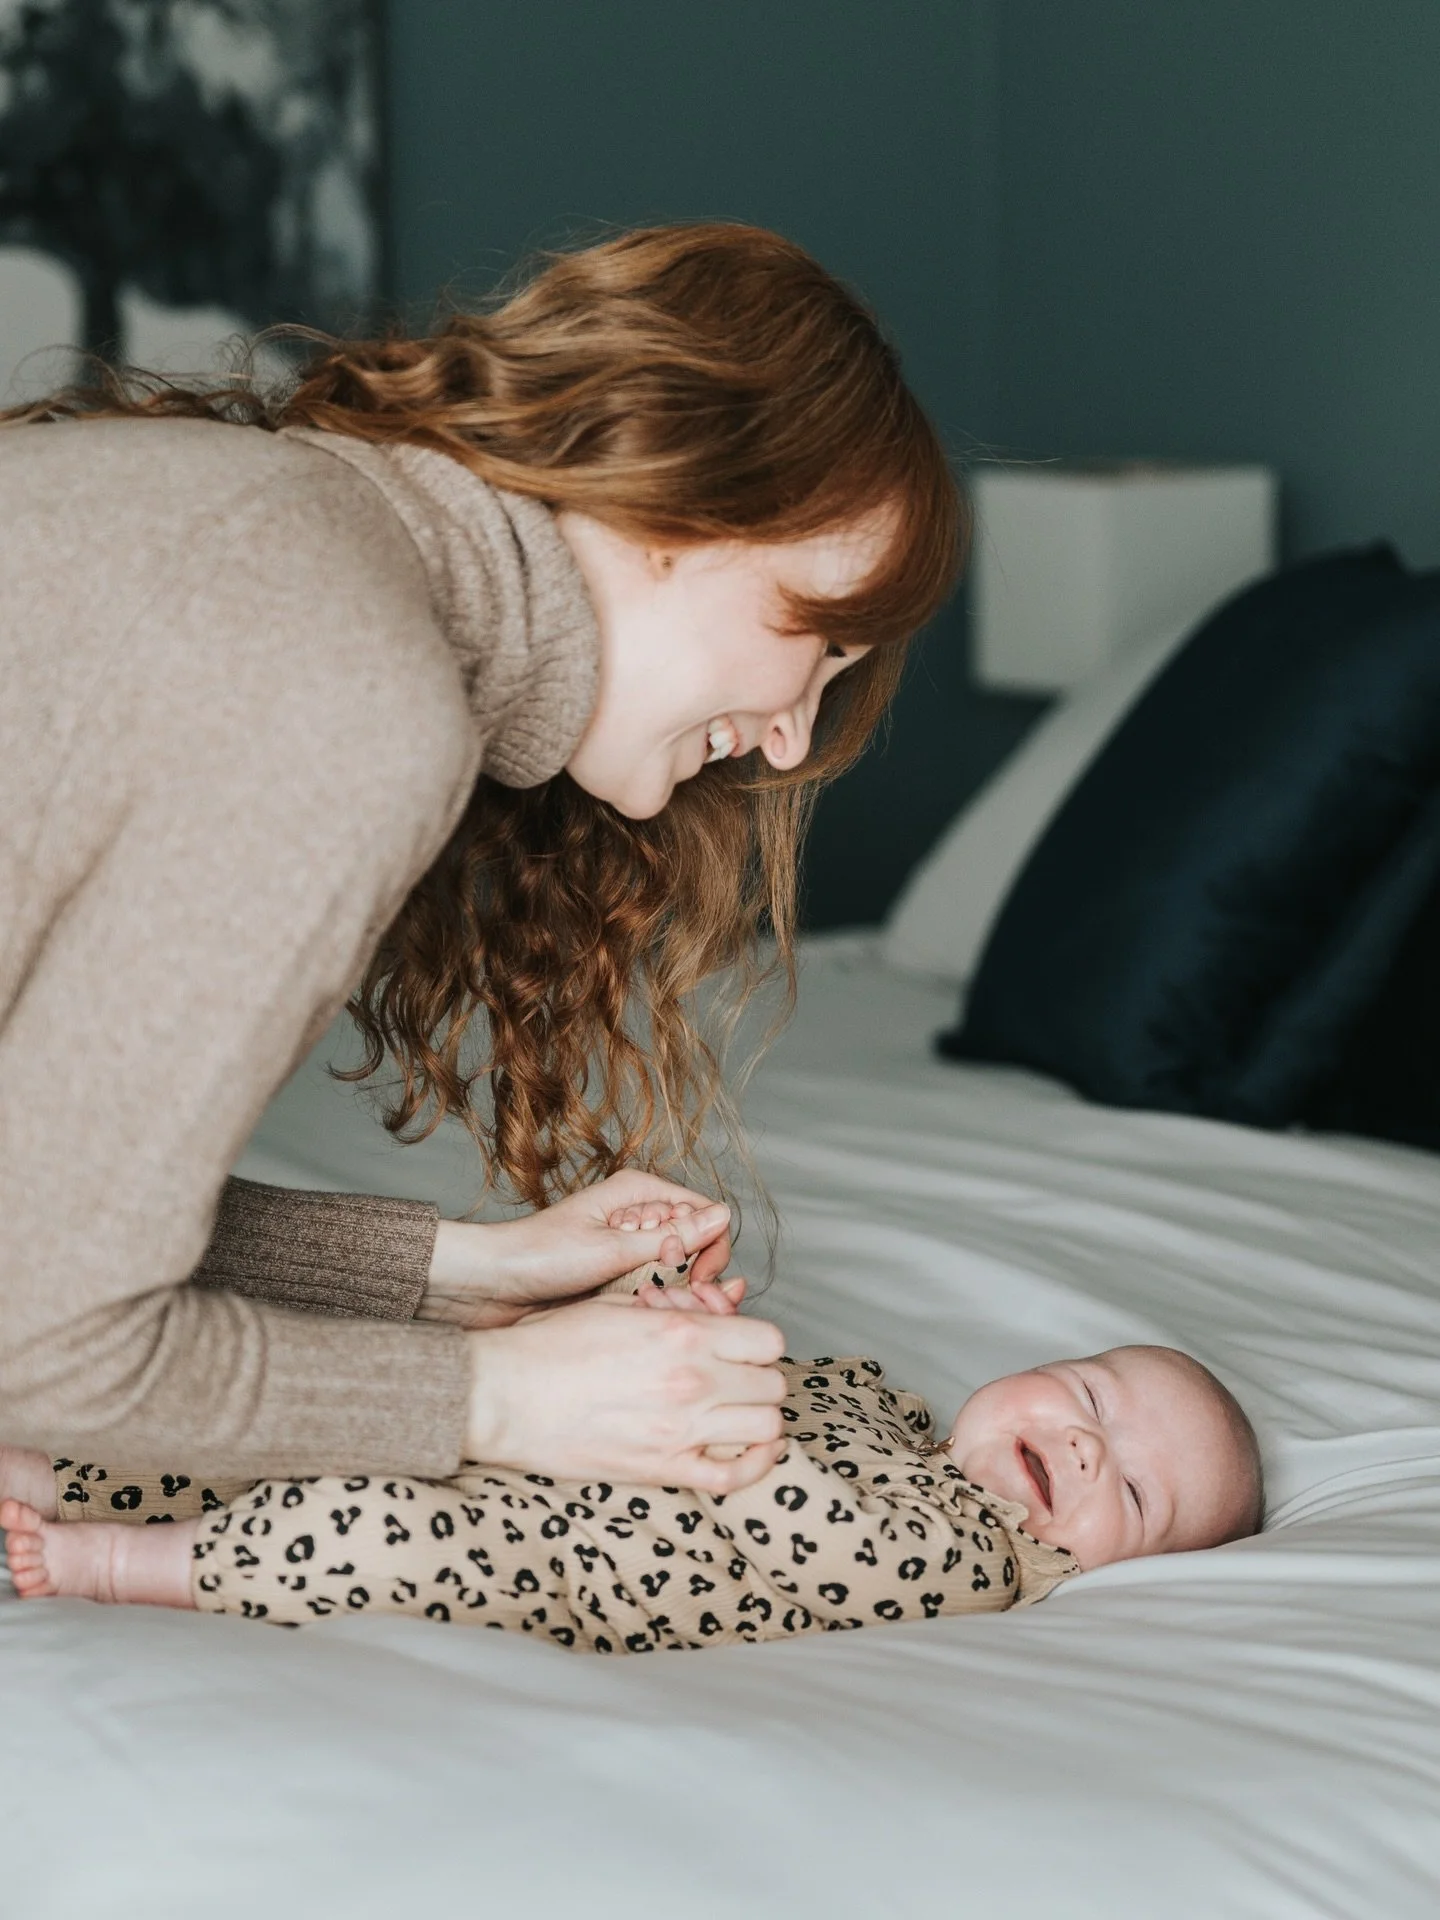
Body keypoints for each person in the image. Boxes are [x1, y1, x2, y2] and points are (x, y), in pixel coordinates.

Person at [0, 223, 962, 1499]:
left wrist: (467, 1273)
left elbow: (40, 1206)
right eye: (825, 644)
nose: (792, 736)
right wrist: (504, 1401)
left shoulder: (258, 515)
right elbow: (47, 1338)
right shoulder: (349, 699)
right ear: (686, 501)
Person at [0, 1264, 1264, 1647]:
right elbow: (738, 1378)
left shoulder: (979, 1563)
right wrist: (667, 1320)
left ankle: (111, 1562)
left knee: (379, 1531)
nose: (1084, 1444)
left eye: (1132, 1490)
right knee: (328, 1418)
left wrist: (729, 1421)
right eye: (1090, 1395)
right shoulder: (883, 1405)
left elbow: (835, 1552)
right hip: (539, 1448)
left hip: (552, 1560)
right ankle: (58, 1474)